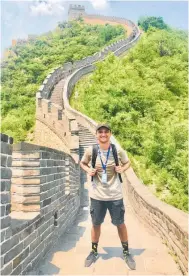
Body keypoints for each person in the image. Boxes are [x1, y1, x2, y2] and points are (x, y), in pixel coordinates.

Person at [80, 123, 136, 270]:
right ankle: (93, 251)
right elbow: (82, 163)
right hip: (97, 195)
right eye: (100, 132)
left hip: (115, 194)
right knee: (96, 223)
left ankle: (126, 252)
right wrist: (88, 170)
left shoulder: (117, 150)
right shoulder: (91, 150)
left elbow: (128, 162)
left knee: (120, 223)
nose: (103, 134)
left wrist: (121, 168)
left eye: (106, 132)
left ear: (110, 134)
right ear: (96, 134)